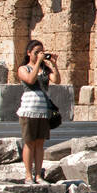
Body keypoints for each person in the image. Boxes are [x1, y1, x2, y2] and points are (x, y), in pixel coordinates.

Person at [16, 40, 59, 183]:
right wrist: (37, 64)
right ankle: (28, 175)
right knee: (29, 142)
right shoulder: (23, 69)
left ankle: (39, 175)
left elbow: (57, 80)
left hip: (43, 110)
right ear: (29, 53)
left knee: (40, 144)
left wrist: (53, 64)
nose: (39, 55)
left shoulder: (45, 70)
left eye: (42, 52)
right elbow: (30, 79)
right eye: (36, 52)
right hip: (29, 110)